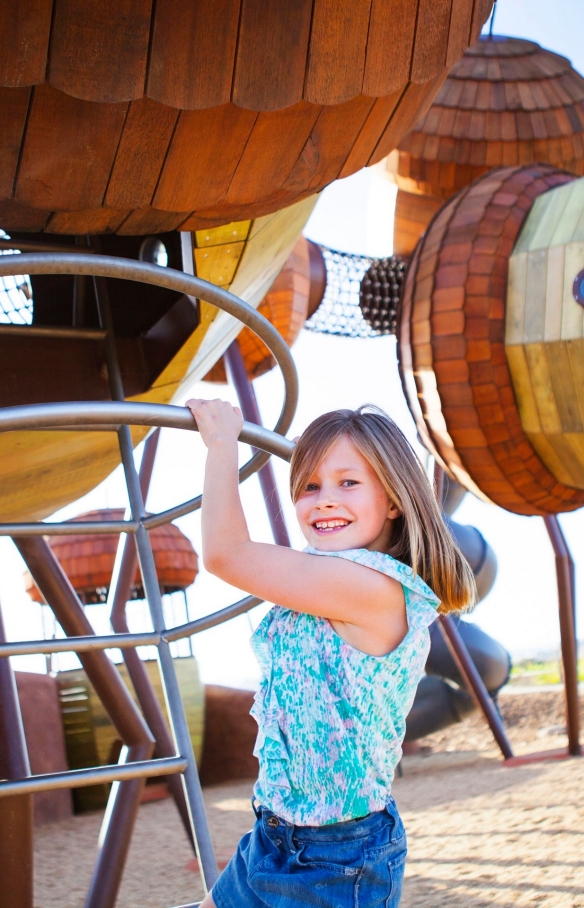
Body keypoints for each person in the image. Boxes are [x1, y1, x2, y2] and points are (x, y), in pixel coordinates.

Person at [185, 399, 476, 908]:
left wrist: (221, 445)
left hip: (338, 857)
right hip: (273, 833)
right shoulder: (322, 583)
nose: (323, 500)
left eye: (348, 483)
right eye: (309, 486)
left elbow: (225, 555)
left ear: (392, 500)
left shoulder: (373, 588)